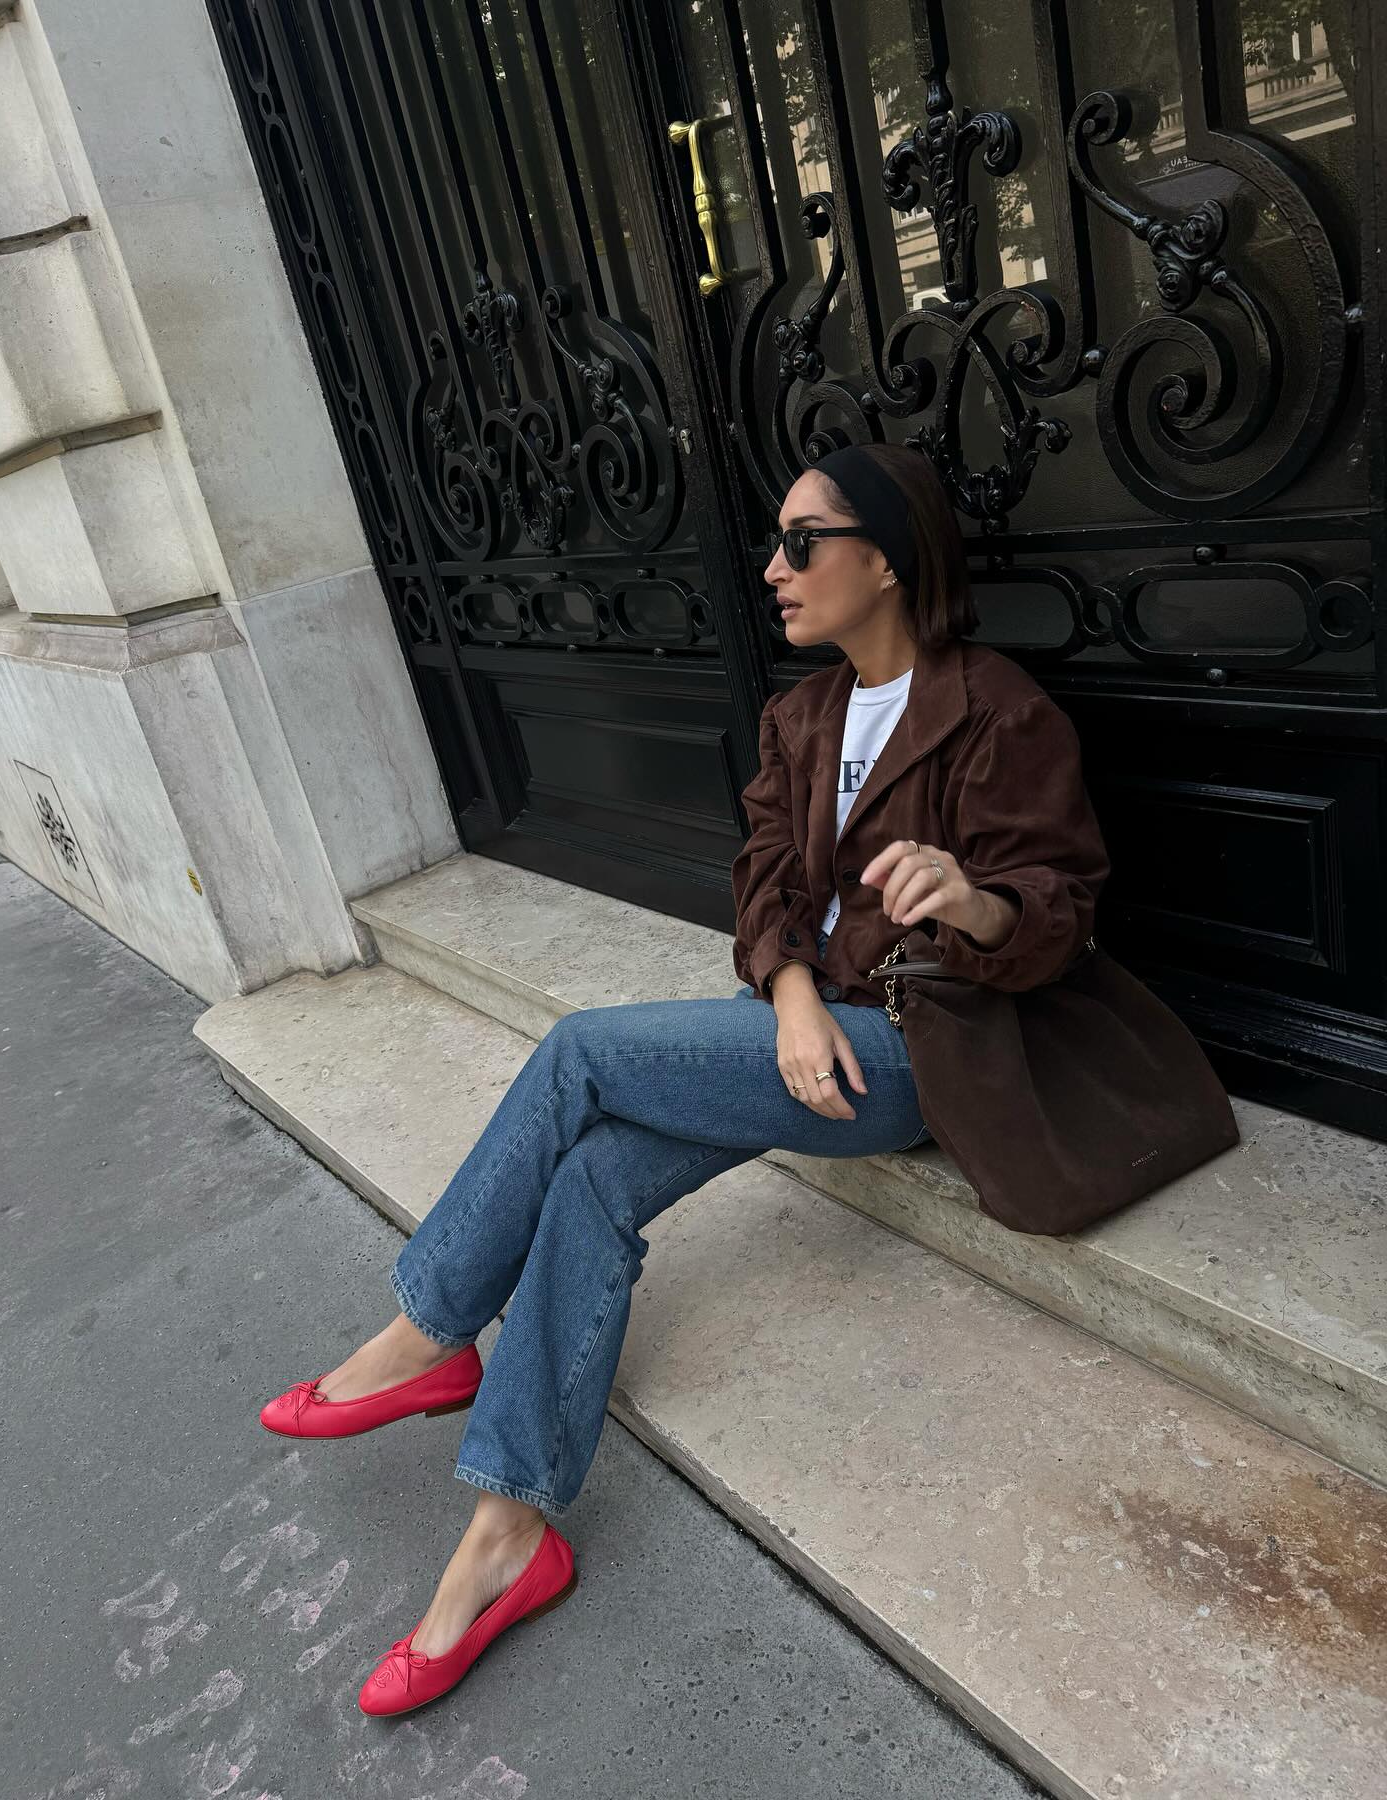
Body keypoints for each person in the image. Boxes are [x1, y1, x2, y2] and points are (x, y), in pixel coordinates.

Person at [257, 443, 1112, 1718]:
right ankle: (505, 1541)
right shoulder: (800, 716)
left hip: (918, 1048)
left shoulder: (995, 708)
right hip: (802, 1034)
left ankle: (432, 1333)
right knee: (594, 1173)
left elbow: (1062, 909)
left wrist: (977, 902)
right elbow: (761, 883)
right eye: (777, 542)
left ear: (885, 557)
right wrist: (789, 998)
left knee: (581, 1052)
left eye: (804, 541)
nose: (775, 568)